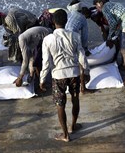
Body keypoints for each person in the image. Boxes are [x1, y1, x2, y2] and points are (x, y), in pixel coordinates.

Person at [39, 9, 90, 142]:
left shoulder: (48, 39)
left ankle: (65, 134)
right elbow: (81, 55)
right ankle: (73, 126)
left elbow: (46, 62)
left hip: (58, 75)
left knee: (60, 104)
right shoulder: (74, 36)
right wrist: (86, 72)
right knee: (75, 99)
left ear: (53, 22)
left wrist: (42, 79)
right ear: (66, 21)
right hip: (74, 73)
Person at [93, 0, 125, 88]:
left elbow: (113, 23)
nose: (97, 9)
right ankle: (123, 64)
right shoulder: (114, 4)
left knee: (124, 49)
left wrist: (109, 39)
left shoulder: (105, 7)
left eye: (96, 6)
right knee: (124, 45)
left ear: (100, 3)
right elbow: (118, 22)